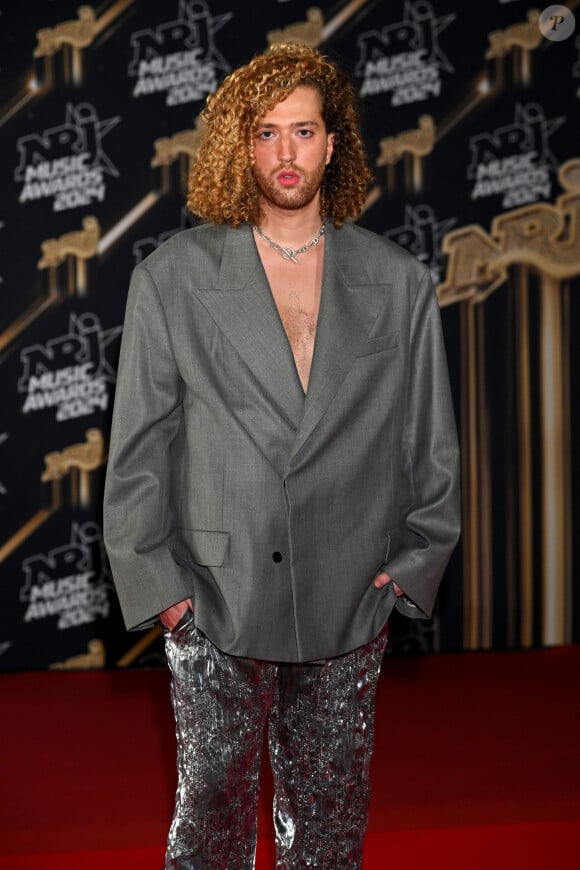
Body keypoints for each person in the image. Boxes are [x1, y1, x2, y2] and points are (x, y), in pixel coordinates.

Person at [103, 42, 460, 869]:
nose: (287, 153)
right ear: (242, 145)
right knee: (209, 830)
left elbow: (429, 443)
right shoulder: (173, 278)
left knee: (331, 834)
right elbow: (138, 451)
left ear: (333, 144)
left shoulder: (397, 281)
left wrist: (411, 568)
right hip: (215, 599)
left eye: (303, 131)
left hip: (350, 597)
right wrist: (164, 594)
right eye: (266, 133)